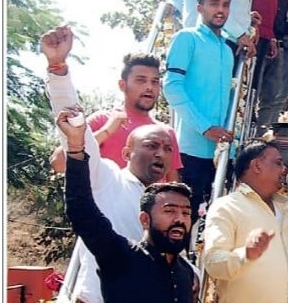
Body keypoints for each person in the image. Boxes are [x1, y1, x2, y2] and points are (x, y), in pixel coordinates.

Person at [41, 25, 180, 303]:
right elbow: (73, 133)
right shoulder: (108, 175)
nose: (160, 154)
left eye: (165, 148)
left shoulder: (164, 202)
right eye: (151, 146)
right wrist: (58, 69)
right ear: (128, 152)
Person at [58, 107, 195, 303]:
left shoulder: (183, 274)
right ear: (144, 219)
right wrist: (76, 145)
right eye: (170, 211)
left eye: (186, 212)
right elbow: (81, 209)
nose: (179, 219)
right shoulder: (120, 255)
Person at [49, 52, 183, 183]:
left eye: (154, 82)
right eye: (141, 80)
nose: (149, 87)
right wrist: (107, 130)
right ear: (122, 85)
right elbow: (58, 163)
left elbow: (172, 184)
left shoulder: (166, 133)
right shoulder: (102, 120)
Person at [163, 0, 235, 223]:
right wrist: (205, 127)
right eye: (214, 4)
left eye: (225, 5)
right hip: (189, 150)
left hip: (221, 152)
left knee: (214, 223)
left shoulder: (228, 50)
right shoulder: (187, 38)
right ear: (200, 8)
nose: (221, 10)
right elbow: (171, 86)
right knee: (182, 221)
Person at [201, 140, 288, 303]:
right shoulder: (227, 206)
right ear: (256, 166)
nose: (284, 170)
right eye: (278, 163)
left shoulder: (286, 209)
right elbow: (213, 262)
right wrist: (246, 254)